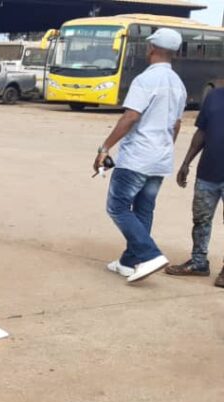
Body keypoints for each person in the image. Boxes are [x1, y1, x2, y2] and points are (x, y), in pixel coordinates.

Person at [95, 28, 186, 283]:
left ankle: (150, 254)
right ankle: (129, 262)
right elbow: (176, 124)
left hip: (137, 157)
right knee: (144, 210)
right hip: (160, 159)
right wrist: (166, 148)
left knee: (118, 207)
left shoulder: (145, 80)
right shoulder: (178, 83)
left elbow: (131, 116)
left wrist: (105, 147)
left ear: (152, 49)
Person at [166, 87, 224, 287]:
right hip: (208, 172)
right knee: (200, 219)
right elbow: (202, 131)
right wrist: (186, 163)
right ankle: (199, 262)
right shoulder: (214, 96)